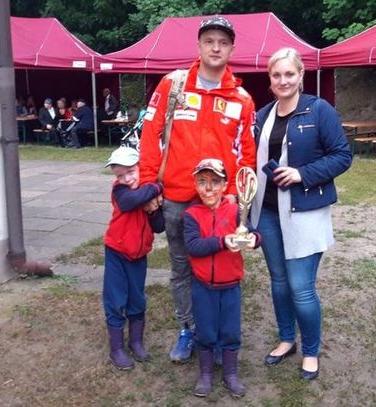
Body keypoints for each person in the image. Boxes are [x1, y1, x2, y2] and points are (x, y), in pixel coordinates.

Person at [138, 15, 256, 363]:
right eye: (209, 41)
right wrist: (149, 186)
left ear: (232, 48)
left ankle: (214, 334)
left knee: (218, 267)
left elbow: (246, 153)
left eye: (223, 42)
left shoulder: (242, 99)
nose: (216, 48)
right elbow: (150, 136)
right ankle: (189, 329)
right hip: (176, 197)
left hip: (220, 202)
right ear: (199, 45)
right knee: (182, 268)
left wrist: (235, 193)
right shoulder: (173, 85)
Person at [250, 48, 352, 381]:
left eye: (289, 74)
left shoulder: (319, 110)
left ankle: (310, 351)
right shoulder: (263, 115)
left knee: (300, 288)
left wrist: (301, 174)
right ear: (270, 79)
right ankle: (285, 339)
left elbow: (342, 156)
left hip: (304, 212)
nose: (283, 81)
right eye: (276, 75)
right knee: (279, 283)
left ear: (300, 75)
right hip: (267, 212)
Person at [183, 158, 260, 398]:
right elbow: (194, 246)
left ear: (225, 185)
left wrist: (253, 240)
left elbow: (254, 233)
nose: (208, 188)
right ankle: (205, 375)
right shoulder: (191, 215)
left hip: (230, 286)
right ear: (195, 185)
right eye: (202, 182)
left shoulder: (236, 211)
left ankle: (231, 374)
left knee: (230, 331)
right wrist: (223, 241)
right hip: (203, 286)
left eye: (215, 182)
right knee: (205, 331)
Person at [103, 146, 165, 370]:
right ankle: (117, 348)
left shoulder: (146, 194)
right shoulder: (121, 191)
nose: (127, 179)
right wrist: (158, 187)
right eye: (120, 175)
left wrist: (153, 210)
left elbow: (159, 227)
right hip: (117, 253)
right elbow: (129, 202)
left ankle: (136, 342)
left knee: (137, 298)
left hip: (139, 256)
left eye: (131, 172)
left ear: (141, 168)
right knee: (115, 298)